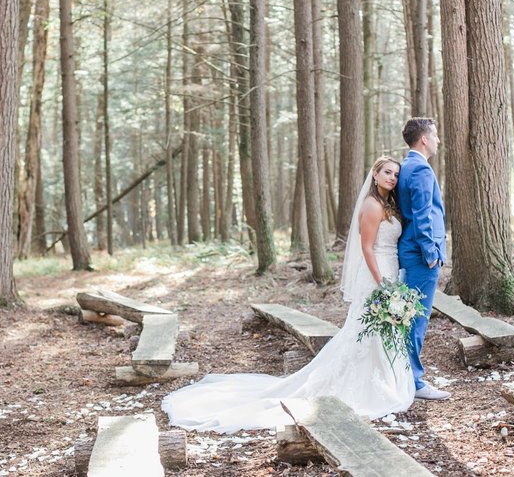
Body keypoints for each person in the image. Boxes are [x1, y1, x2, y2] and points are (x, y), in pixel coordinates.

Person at [161, 157, 415, 433]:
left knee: (384, 331)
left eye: (395, 174)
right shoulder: (371, 205)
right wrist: (383, 284)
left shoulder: (390, 205)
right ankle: (368, 386)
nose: (392, 177)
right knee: (366, 331)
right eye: (387, 172)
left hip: (390, 272)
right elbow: (367, 248)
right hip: (376, 274)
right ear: (374, 175)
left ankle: (385, 381)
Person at [396, 117, 450, 400]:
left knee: (410, 316)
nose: (438, 140)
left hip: (412, 251)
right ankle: (414, 382)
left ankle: (405, 374)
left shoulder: (407, 166)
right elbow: (422, 216)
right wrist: (431, 254)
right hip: (420, 254)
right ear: (424, 140)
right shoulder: (421, 170)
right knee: (417, 318)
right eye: (435, 135)